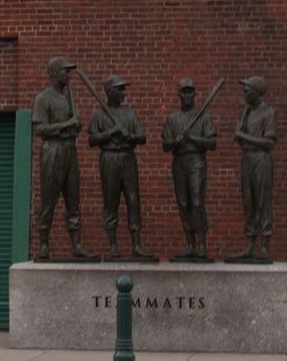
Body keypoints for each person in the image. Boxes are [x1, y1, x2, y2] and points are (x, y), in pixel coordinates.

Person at [31, 56, 98, 260]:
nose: (68, 75)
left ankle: (77, 244)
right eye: (65, 71)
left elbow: (73, 128)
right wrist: (68, 123)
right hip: (52, 151)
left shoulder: (69, 98)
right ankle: (44, 244)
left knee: (73, 197)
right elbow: (40, 129)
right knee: (49, 198)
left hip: (70, 149)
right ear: (54, 73)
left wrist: (76, 124)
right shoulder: (43, 99)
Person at [87, 74, 153, 260]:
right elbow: (92, 140)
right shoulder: (99, 114)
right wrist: (110, 132)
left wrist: (131, 137)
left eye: (123, 88)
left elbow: (142, 137)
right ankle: (113, 246)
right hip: (109, 158)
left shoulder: (130, 114)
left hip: (128, 158)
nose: (123, 92)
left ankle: (137, 245)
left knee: (133, 200)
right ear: (109, 92)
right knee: (111, 201)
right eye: (119, 89)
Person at [161, 77, 216, 260]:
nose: (187, 95)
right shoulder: (172, 119)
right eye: (183, 91)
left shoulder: (203, 117)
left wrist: (192, 138)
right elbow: (165, 145)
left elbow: (211, 143)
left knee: (197, 201)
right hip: (179, 160)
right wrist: (173, 141)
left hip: (196, 160)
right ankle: (190, 244)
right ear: (179, 94)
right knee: (183, 202)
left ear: (194, 94)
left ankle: (201, 244)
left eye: (190, 91)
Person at [228, 75, 276, 262]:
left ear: (256, 92)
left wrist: (243, 136)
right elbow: (242, 137)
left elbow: (270, 142)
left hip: (261, 159)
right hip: (247, 158)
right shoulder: (247, 112)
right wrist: (240, 138)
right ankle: (250, 244)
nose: (244, 93)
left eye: (246, 91)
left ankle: (264, 246)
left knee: (263, 201)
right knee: (248, 202)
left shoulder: (268, 113)